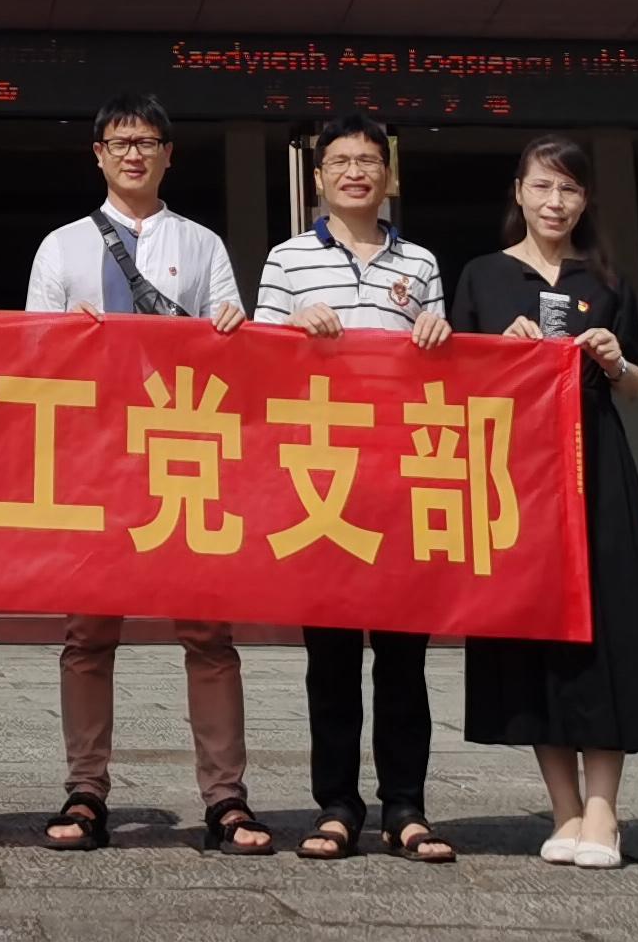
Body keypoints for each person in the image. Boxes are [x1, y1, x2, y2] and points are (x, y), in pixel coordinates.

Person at [21, 94, 269, 857]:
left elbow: (235, 352)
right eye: (120, 141)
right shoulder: (61, 247)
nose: (134, 153)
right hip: (96, 461)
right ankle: (85, 790)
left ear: (169, 154)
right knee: (88, 634)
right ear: (97, 153)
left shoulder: (202, 245)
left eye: (147, 141)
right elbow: (31, 354)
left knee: (209, 633)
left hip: (184, 454)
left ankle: (226, 798)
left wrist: (231, 330)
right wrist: (66, 341)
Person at [448, 133, 638, 870]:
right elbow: (457, 378)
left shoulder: (606, 279)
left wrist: (616, 362)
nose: (554, 202)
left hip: (597, 470)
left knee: (608, 628)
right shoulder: (483, 276)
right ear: (518, 192)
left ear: (585, 200)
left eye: (569, 189)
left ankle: (602, 810)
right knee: (535, 634)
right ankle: (562, 808)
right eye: (542, 186)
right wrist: (502, 349)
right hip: (516, 473)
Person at [254, 112, 456, 865]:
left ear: (388, 175)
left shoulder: (423, 263)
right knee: (331, 657)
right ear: (318, 177)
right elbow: (258, 363)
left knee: (405, 657)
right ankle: (336, 805)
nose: (355, 173)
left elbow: (444, 373)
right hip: (323, 480)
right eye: (340, 161)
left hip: (401, 478)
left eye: (369, 161)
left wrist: (438, 337)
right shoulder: (286, 259)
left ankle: (406, 806)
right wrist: (291, 329)